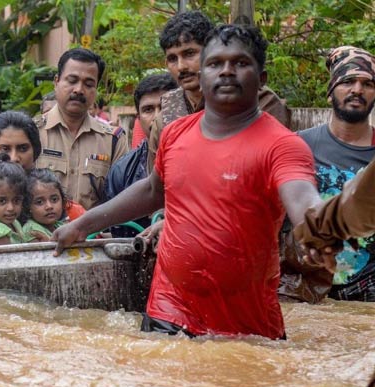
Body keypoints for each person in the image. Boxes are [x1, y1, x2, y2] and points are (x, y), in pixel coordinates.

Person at [52, 24, 323, 340]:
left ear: (261, 79)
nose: (226, 72)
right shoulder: (175, 132)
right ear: (203, 75)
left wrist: (320, 229)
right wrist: (83, 225)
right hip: (166, 311)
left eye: (240, 63)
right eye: (215, 64)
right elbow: (153, 190)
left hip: (246, 328)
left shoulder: (282, 144)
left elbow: (303, 199)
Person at [280, 46, 375, 303]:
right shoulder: (296, 145)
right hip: (304, 293)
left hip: (367, 297)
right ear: (331, 91)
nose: (357, 89)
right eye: (347, 81)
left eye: (367, 83)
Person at [147, 10, 290, 174]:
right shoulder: (165, 118)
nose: (181, 67)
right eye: (173, 58)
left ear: (212, 53)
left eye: (189, 53)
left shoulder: (259, 101)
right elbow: (156, 188)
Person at [36, 48, 128, 210]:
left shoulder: (113, 140)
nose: (79, 89)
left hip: (93, 234)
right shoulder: (32, 133)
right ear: (56, 82)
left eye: (88, 84)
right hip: (41, 234)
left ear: (96, 90)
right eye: (72, 80)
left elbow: (122, 199)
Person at [104, 74, 177, 237]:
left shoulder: (204, 157)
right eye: (148, 109)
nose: (157, 117)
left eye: (164, 107)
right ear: (138, 117)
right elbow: (118, 235)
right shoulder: (122, 171)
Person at [23, 168, 68, 241]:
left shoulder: (59, 225)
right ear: (28, 206)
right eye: (40, 202)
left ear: (63, 201)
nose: (49, 206)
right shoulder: (32, 231)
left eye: (54, 199)